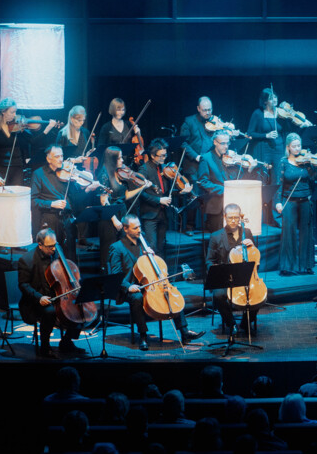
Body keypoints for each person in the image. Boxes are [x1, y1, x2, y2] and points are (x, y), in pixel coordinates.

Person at [107, 214, 202, 351]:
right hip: (128, 288)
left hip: (148, 283)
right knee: (137, 298)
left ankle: (184, 332)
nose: (139, 230)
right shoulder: (116, 247)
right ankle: (143, 335)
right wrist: (129, 287)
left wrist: (152, 255)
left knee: (170, 293)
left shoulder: (143, 244)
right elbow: (115, 275)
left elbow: (155, 266)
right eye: (135, 228)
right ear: (126, 229)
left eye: (139, 226)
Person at [18, 228, 82, 359]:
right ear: (40, 245)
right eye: (50, 247)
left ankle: (66, 341)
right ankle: (45, 347)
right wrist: (39, 297)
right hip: (36, 300)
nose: (54, 249)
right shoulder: (26, 260)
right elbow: (23, 285)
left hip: (58, 295)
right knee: (50, 312)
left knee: (79, 307)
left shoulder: (57, 253)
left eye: (55, 245)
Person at [205, 203, 265, 338]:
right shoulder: (216, 236)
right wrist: (216, 270)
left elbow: (254, 256)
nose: (233, 220)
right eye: (230, 217)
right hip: (225, 277)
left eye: (236, 218)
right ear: (225, 217)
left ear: (240, 218)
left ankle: (246, 322)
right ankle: (231, 323)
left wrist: (252, 246)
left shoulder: (247, 232)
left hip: (244, 276)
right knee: (218, 296)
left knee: (258, 294)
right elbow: (209, 261)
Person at [194, 131, 256, 234]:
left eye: (228, 143)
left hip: (232, 204)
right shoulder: (206, 158)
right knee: (218, 240)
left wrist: (249, 170)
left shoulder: (230, 159)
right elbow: (203, 182)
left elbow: (238, 180)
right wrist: (224, 190)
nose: (226, 146)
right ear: (215, 142)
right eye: (223, 143)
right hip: (216, 206)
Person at [0, 99, 57, 188]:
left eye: (15, 112)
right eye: (12, 112)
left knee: (17, 198)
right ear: (3, 112)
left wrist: (48, 129)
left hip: (17, 168)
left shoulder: (18, 127)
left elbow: (33, 141)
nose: (15, 115)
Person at [30, 145, 84, 261]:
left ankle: (71, 278)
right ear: (49, 159)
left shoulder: (66, 173)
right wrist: (51, 204)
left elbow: (75, 196)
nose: (61, 159)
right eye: (57, 156)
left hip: (67, 219)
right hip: (50, 219)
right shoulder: (38, 174)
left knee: (70, 254)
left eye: (62, 156)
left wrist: (87, 187)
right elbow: (33, 201)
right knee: (53, 256)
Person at [275, 133, 316, 276]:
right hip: (289, 200)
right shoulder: (283, 162)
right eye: (294, 146)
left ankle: (306, 265)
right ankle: (288, 267)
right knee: (288, 233)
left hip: (305, 199)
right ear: (288, 147)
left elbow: (313, 178)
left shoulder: (306, 162)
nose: (297, 149)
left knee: (307, 232)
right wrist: (278, 202)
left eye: (299, 145)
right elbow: (279, 184)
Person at [95, 146, 137, 271]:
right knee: (109, 251)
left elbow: (125, 195)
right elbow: (104, 200)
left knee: (123, 250)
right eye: (119, 158)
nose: (122, 160)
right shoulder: (104, 174)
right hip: (110, 217)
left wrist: (142, 187)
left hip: (121, 212)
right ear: (112, 159)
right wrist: (115, 220)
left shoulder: (119, 172)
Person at [179, 96, 217, 232]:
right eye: (205, 110)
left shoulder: (215, 122)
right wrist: (196, 156)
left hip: (209, 164)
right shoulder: (189, 121)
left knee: (210, 194)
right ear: (198, 109)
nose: (208, 113)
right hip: (193, 164)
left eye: (210, 109)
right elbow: (183, 143)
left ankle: (209, 224)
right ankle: (189, 226)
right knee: (194, 194)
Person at [137, 139, 178, 257]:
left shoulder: (163, 168)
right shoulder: (144, 169)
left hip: (163, 214)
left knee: (161, 247)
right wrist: (158, 200)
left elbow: (166, 191)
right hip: (150, 215)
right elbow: (140, 193)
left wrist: (180, 191)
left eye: (165, 155)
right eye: (161, 156)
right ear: (152, 155)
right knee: (152, 247)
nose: (164, 158)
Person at [246, 87, 283, 172]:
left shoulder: (281, 113)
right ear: (265, 101)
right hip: (264, 151)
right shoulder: (258, 113)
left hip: (279, 149)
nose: (275, 100)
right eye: (271, 98)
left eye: (275, 97)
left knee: (277, 177)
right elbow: (250, 133)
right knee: (263, 175)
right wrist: (266, 135)